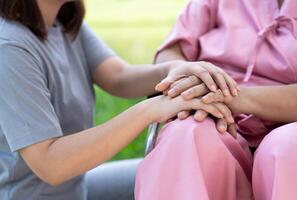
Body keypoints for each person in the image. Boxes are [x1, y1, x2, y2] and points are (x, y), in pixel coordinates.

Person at [0, 0, 239, 200]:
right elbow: (51, 164)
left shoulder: (63, 23)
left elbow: (118, 77)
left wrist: (173, 69)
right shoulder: (10, 47)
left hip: (76, 189)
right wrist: (153, 109)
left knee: (177, 172)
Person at [135, 0, 297, 199]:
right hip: (211, 114)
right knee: (188, 133)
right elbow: (170, 53)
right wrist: (190, 83)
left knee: (288, 147)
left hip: (289, 124)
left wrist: (236, 97)